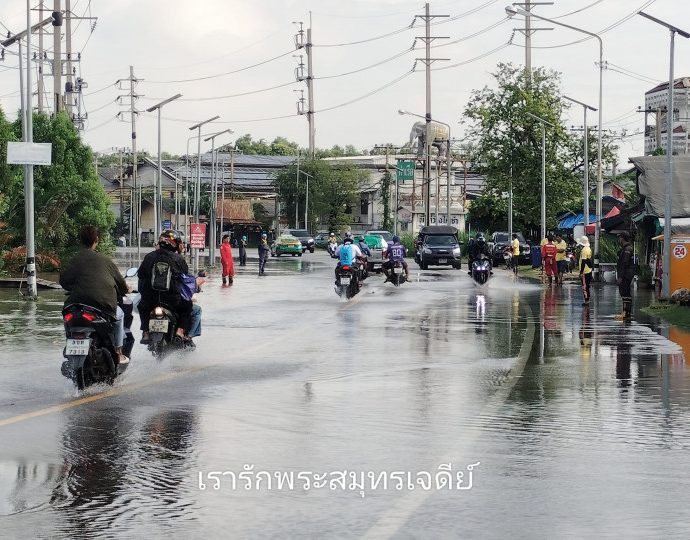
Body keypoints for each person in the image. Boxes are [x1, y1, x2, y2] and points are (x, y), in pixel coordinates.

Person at [60, 225, 130, 365]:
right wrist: (127, 289)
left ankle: (70, 345)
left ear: (81, 240)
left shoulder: (75, 259)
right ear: (96, 240)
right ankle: (118, 351)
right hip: (102, 307)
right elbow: (121, 286)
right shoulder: (105, 261)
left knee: (67, 321)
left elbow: (63, 281)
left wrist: (73, 288)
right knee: (120, 316)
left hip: (75, 306)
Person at [137, 230, 193, 344]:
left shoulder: (149, 257)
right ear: (174, 243)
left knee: (141, 306)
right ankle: (180, 331)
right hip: (172, 301)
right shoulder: (178, 259)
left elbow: (140, 275)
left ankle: (146, 332)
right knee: (188, 306)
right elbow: (185, 278)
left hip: (150, 300)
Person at [616, 231, 635, 320]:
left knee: (625, 294)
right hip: (625, 274)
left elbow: (624, 263)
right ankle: (625, 312)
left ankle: (626, 313)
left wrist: (621, 277)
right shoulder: (625, 248)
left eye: (620, 238)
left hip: (626, 275)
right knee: (624, 294)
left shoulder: (627, 249)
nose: (619, 239)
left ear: (622, 238)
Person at [577, 235, 593, 306]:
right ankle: (587, 299)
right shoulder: (588, 249)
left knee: (584, 286)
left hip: (585, 271)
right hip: (589, 270)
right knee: (587, 286)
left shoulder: (584, 250)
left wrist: (581, 272)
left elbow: (583, 262)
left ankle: (586, 300)